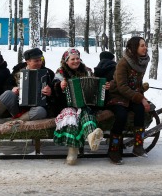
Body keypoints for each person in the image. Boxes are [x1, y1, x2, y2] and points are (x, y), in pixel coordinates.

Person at [0, 47, 57, 127]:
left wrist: (50, 92)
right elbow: (5, 86)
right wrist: (12, 88)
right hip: (18, 106)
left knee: (40, 111)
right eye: (36, 61)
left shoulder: (48, 73)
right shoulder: (18, 71)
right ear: (28, 61)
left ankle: (7, 122)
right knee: (8, 93)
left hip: (36, 110)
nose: (39, 63)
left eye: (40, 60)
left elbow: (56, 94)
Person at [52, 48, 104, 165]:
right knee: (71, 118)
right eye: (72, 59)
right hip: (66, 104)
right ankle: (73, 150)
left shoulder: (88, 71)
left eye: (77, 58)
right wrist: (60, 85)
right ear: (66, 61)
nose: (76, 61)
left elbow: (96, 86)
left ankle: (91, 137)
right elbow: (54, 85)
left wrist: (103, 88)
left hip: (85, 104)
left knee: (86, 113)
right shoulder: (61, 72)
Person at [106, 36, 151, 164]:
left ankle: (138, 146)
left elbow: (137, 83)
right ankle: (113, 150)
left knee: (140, 111)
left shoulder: (142, 61)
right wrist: (141, 98)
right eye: (142, 45)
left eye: (145, 45)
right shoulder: (123, 63)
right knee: (121, 115)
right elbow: (122, 87)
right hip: (117, 96)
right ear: (134, 47)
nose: (145, 48)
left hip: (131, 95)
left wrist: (142, 96)